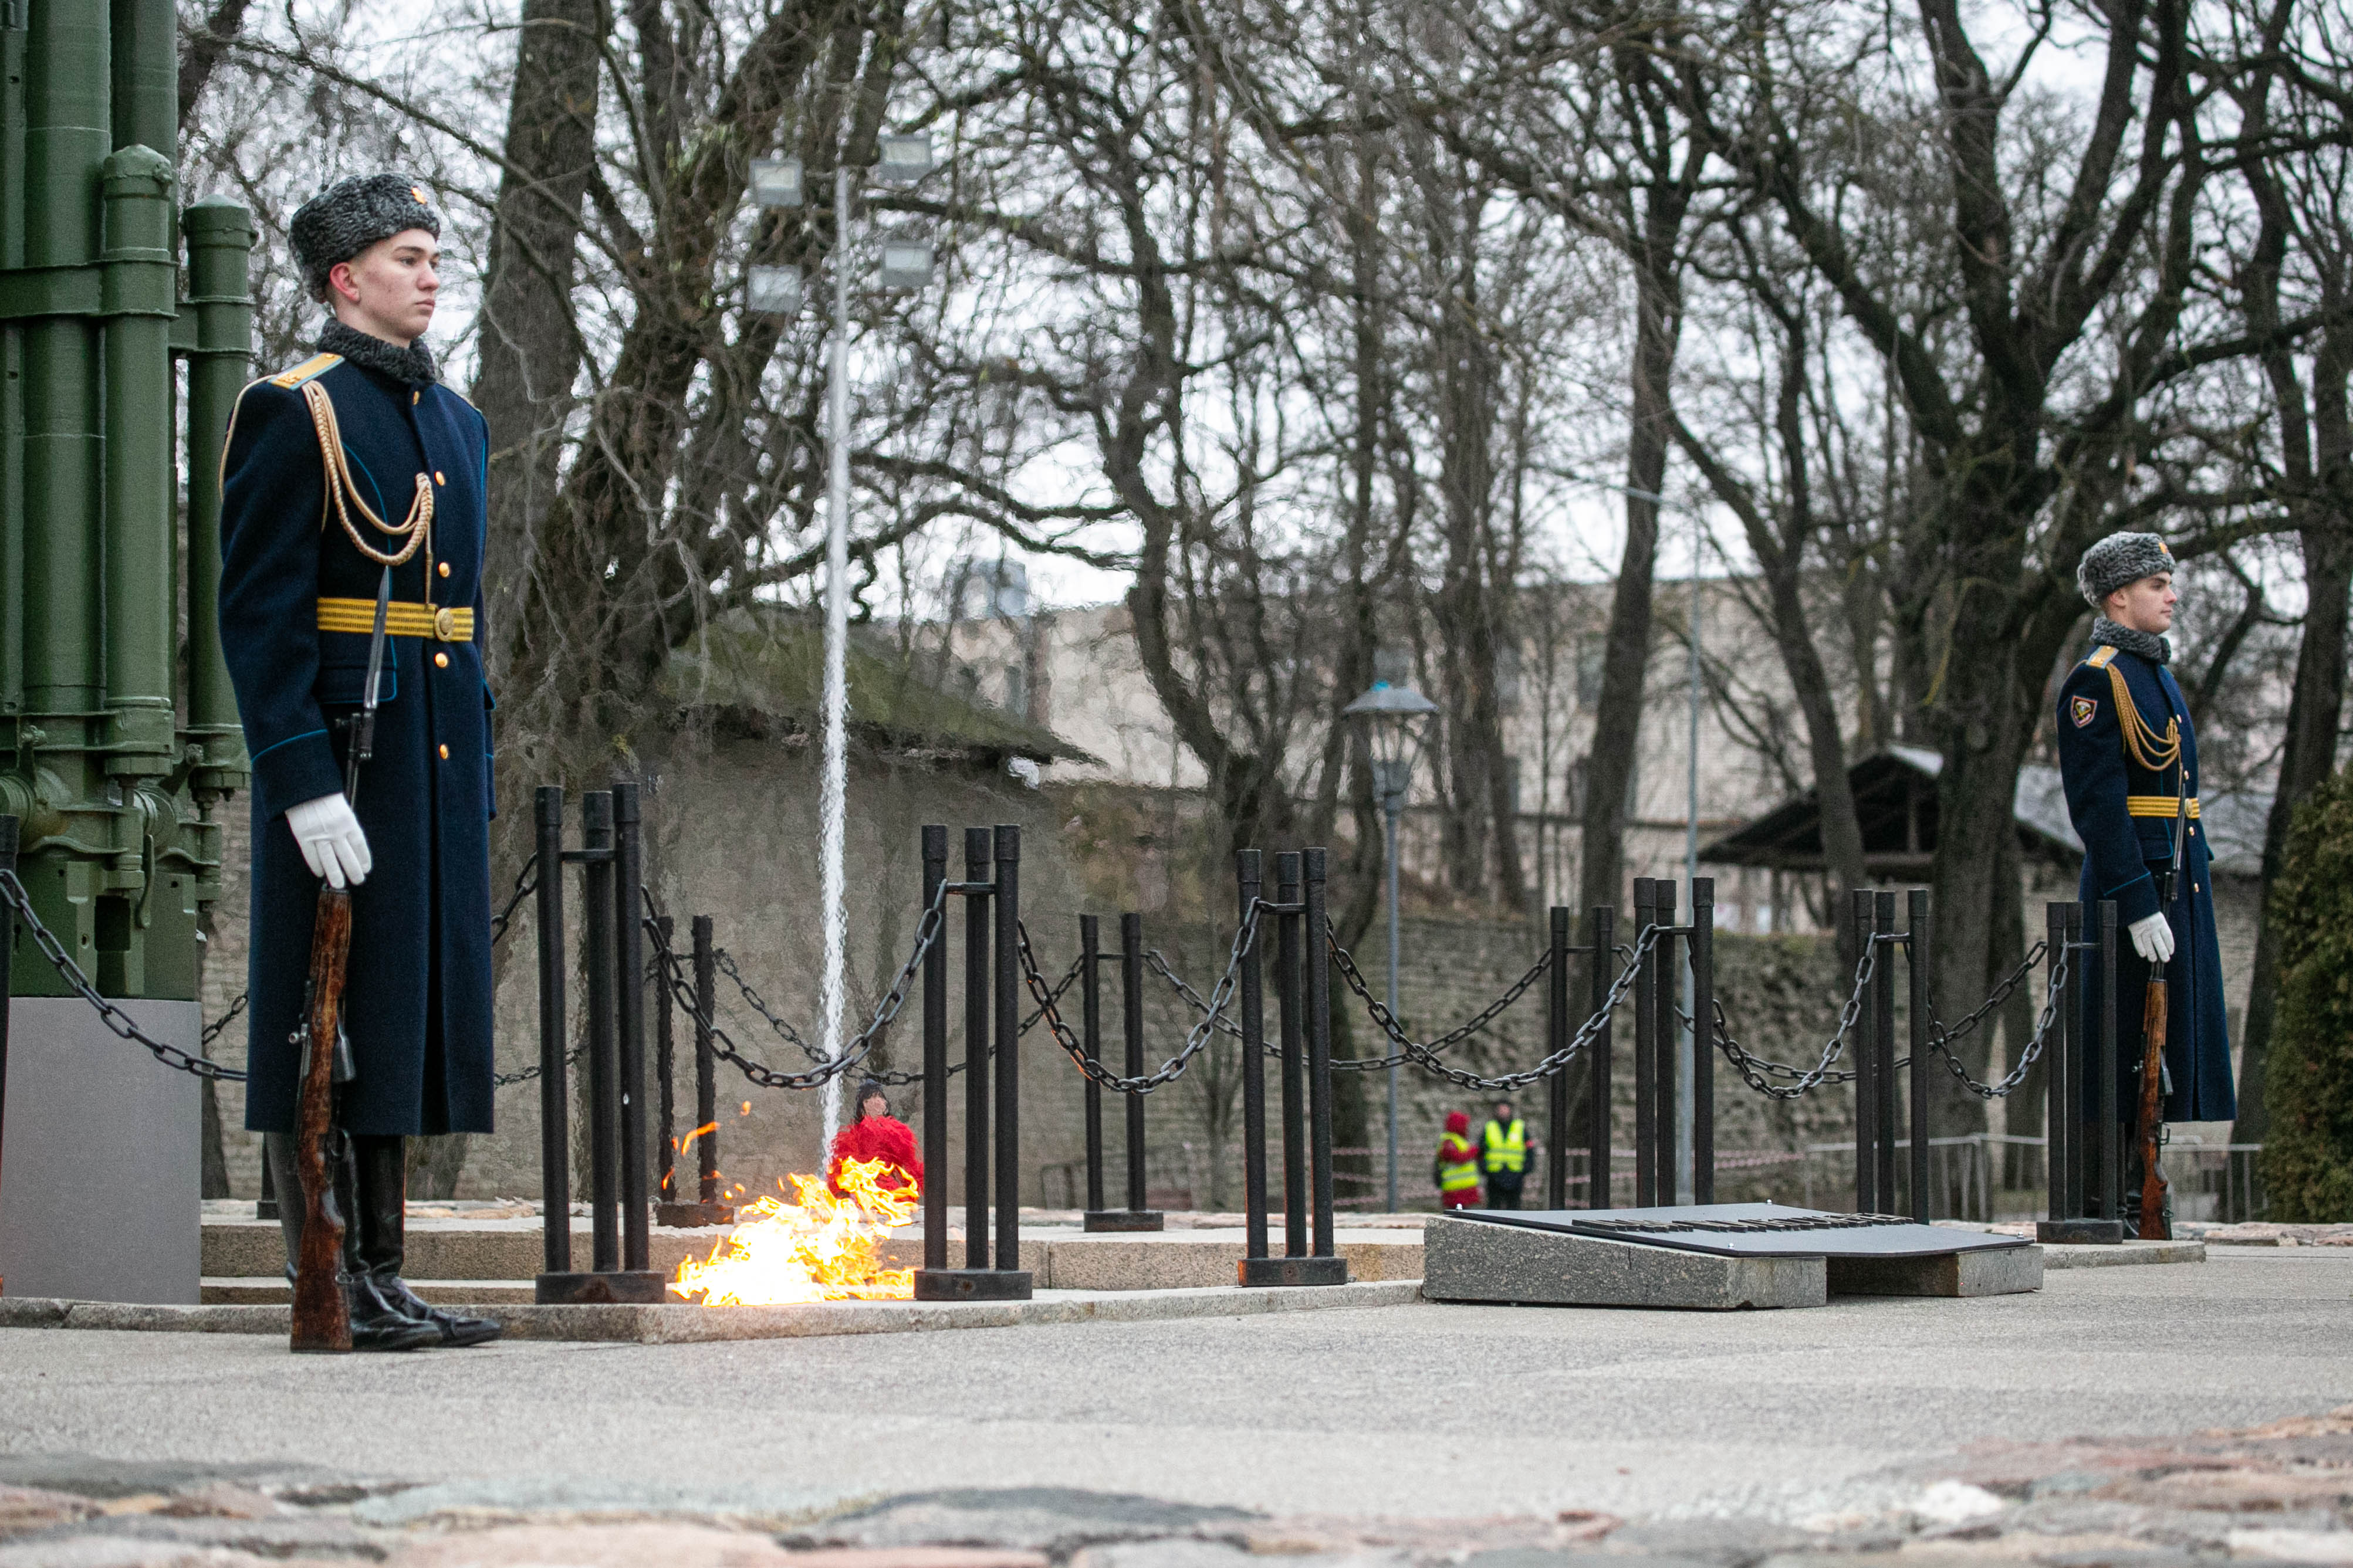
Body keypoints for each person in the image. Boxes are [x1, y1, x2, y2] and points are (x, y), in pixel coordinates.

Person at [221, 175, 499, 1351]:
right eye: (405, 256)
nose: (430, 273)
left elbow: (461, 610)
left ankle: (384, 1271)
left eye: (434, 255)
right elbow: (259, 611)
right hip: (346, 748)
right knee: (318, 1017)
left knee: (403, 1017)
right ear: (346, 279)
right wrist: (299, 774)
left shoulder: (457, 421)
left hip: (431, 754)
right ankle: (323, 1274)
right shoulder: (299, 410)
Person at [2056, 533, 2236, 1228]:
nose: (2172, 594)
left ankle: (2145, 1194)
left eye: (2169, 582)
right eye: (2157, 584)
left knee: (2157, 1052)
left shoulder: (2155, 675)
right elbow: (2097, 807)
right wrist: (2133, 901)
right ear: (2117, 596)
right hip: (2129, 892)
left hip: (2177, 883)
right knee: (2119, 1051)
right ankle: (2110, 1197)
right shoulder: (2096, 680)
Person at [829, 1080, 924, 1200]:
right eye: (872, 1098)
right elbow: (842, 1169)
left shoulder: (898, 1132)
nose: (877, 1101)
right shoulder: (851, 1136)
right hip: (862, 1187)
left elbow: (909, 1164)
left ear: (885, 1104)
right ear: (864, 1104)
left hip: (888, 1188)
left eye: (880, 1097)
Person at [1479, 1099, 1537, 1210]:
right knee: (1493, 1208)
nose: (1503, 1112)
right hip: (1495, 1174)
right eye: (1500, 1109)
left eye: (1505, 1109)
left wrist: (1527, 1168)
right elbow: (1481, 1150)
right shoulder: (1490, 1127)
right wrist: (1484, 1168)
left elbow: (1529, 1149)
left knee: (1514, 1208)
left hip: (1515, 1174)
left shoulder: (1519, 1127)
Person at [1434, 1111, 1483, 1209]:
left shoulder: (1458, 1140)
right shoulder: (1449, 1141)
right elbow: (1458, 1157)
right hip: (1455, 1190)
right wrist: (1475, 1151)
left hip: (1465, 1189)